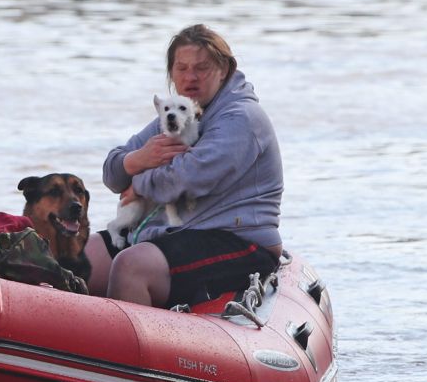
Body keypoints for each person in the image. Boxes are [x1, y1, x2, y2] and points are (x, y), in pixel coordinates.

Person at [85, 24, 283, 307]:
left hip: (240, 240)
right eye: (181, 68)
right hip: (179, 232)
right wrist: (136, 160)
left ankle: (130, 348)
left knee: (131, 267)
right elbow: (112, 175)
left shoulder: (241, 118)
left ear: (223, 70)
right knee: (83, 257)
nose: (190, 77)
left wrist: (139, 184)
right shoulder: (175, 114)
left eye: (202, 68)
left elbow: (187, 179)